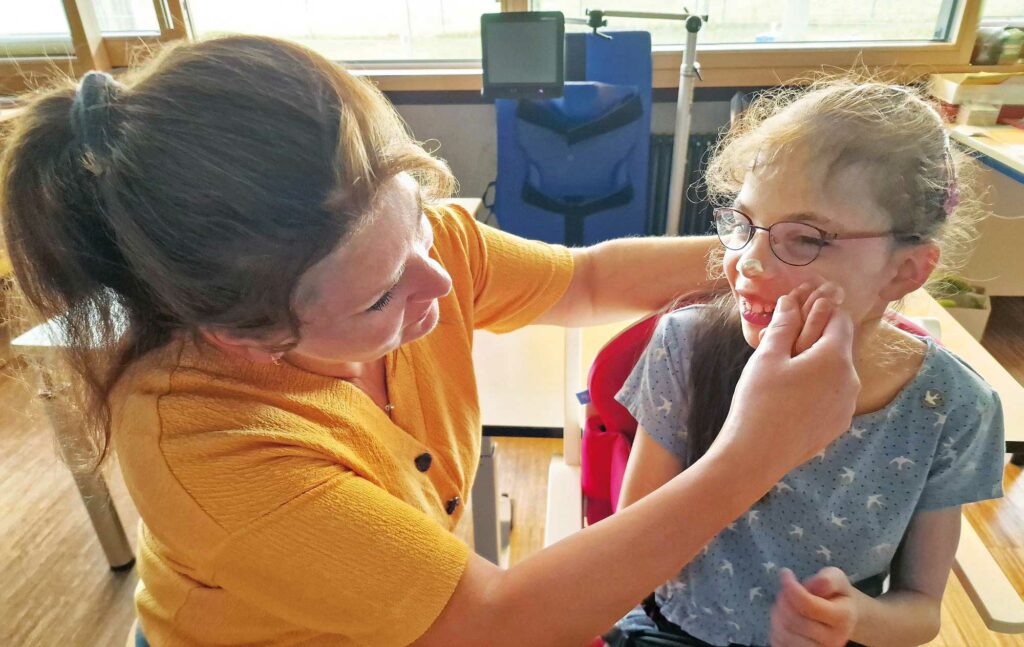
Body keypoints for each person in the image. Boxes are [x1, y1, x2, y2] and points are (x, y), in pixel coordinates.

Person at [0, 36, 858, 646]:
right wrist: (754, 452)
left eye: (416, 223)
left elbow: (590, 277)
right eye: (380, 296)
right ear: (242, 337)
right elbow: (498, 624)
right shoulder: (210, 454)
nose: (441, 287)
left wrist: (761, 258)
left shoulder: (413, 252)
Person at [608, 79, 1006, 647]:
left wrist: (854, 618)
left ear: (905, 271)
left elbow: (921, 607)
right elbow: (629, 557)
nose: (746, 262)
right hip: (674, 630)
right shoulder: (688, 347)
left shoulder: (952, 409)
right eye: (743, 224)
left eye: (806, 238)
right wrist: (753, 442)